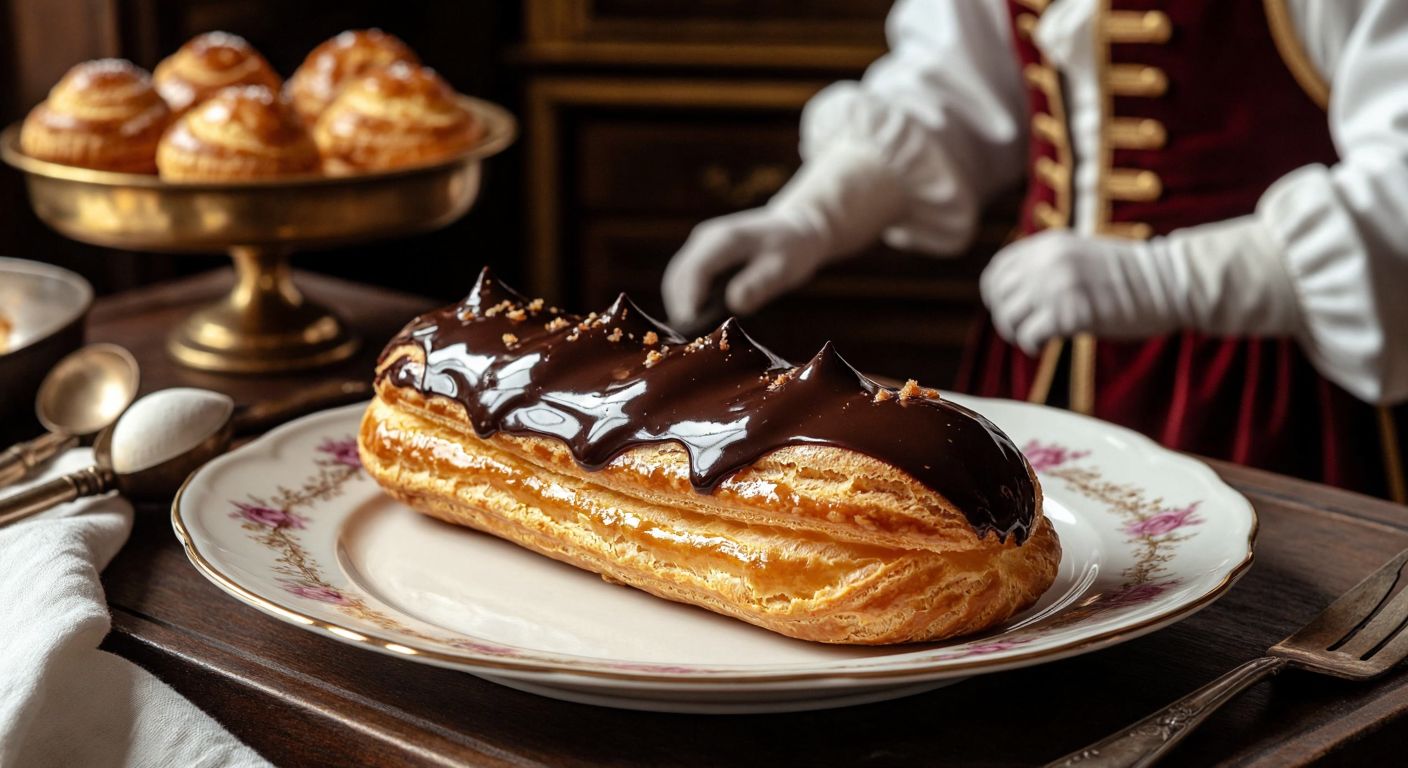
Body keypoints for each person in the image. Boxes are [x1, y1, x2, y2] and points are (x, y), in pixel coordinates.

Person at [660, 0, 1408, 499]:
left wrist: (1174, 278)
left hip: (1274, 382)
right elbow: (955, 89)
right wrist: (816, 212)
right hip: (1041, 351)